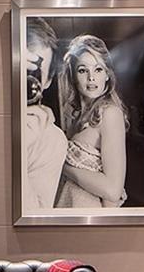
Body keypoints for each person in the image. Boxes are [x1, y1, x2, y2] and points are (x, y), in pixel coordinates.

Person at [54, 34, 128, 208]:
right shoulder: (74, 116)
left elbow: (113, 191)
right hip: (67, 208)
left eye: (98, 69)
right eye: (82, 70)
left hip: (89, 213)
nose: (91, 78)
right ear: (73, 76)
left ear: (108, 74)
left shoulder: (110, 114)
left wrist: (63, 167)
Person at [21, 18, 69, 210]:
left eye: (34, 73)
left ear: (47, 81)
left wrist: (20, 149)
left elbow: (34, 214)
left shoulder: (52, 140)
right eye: (20, 68)